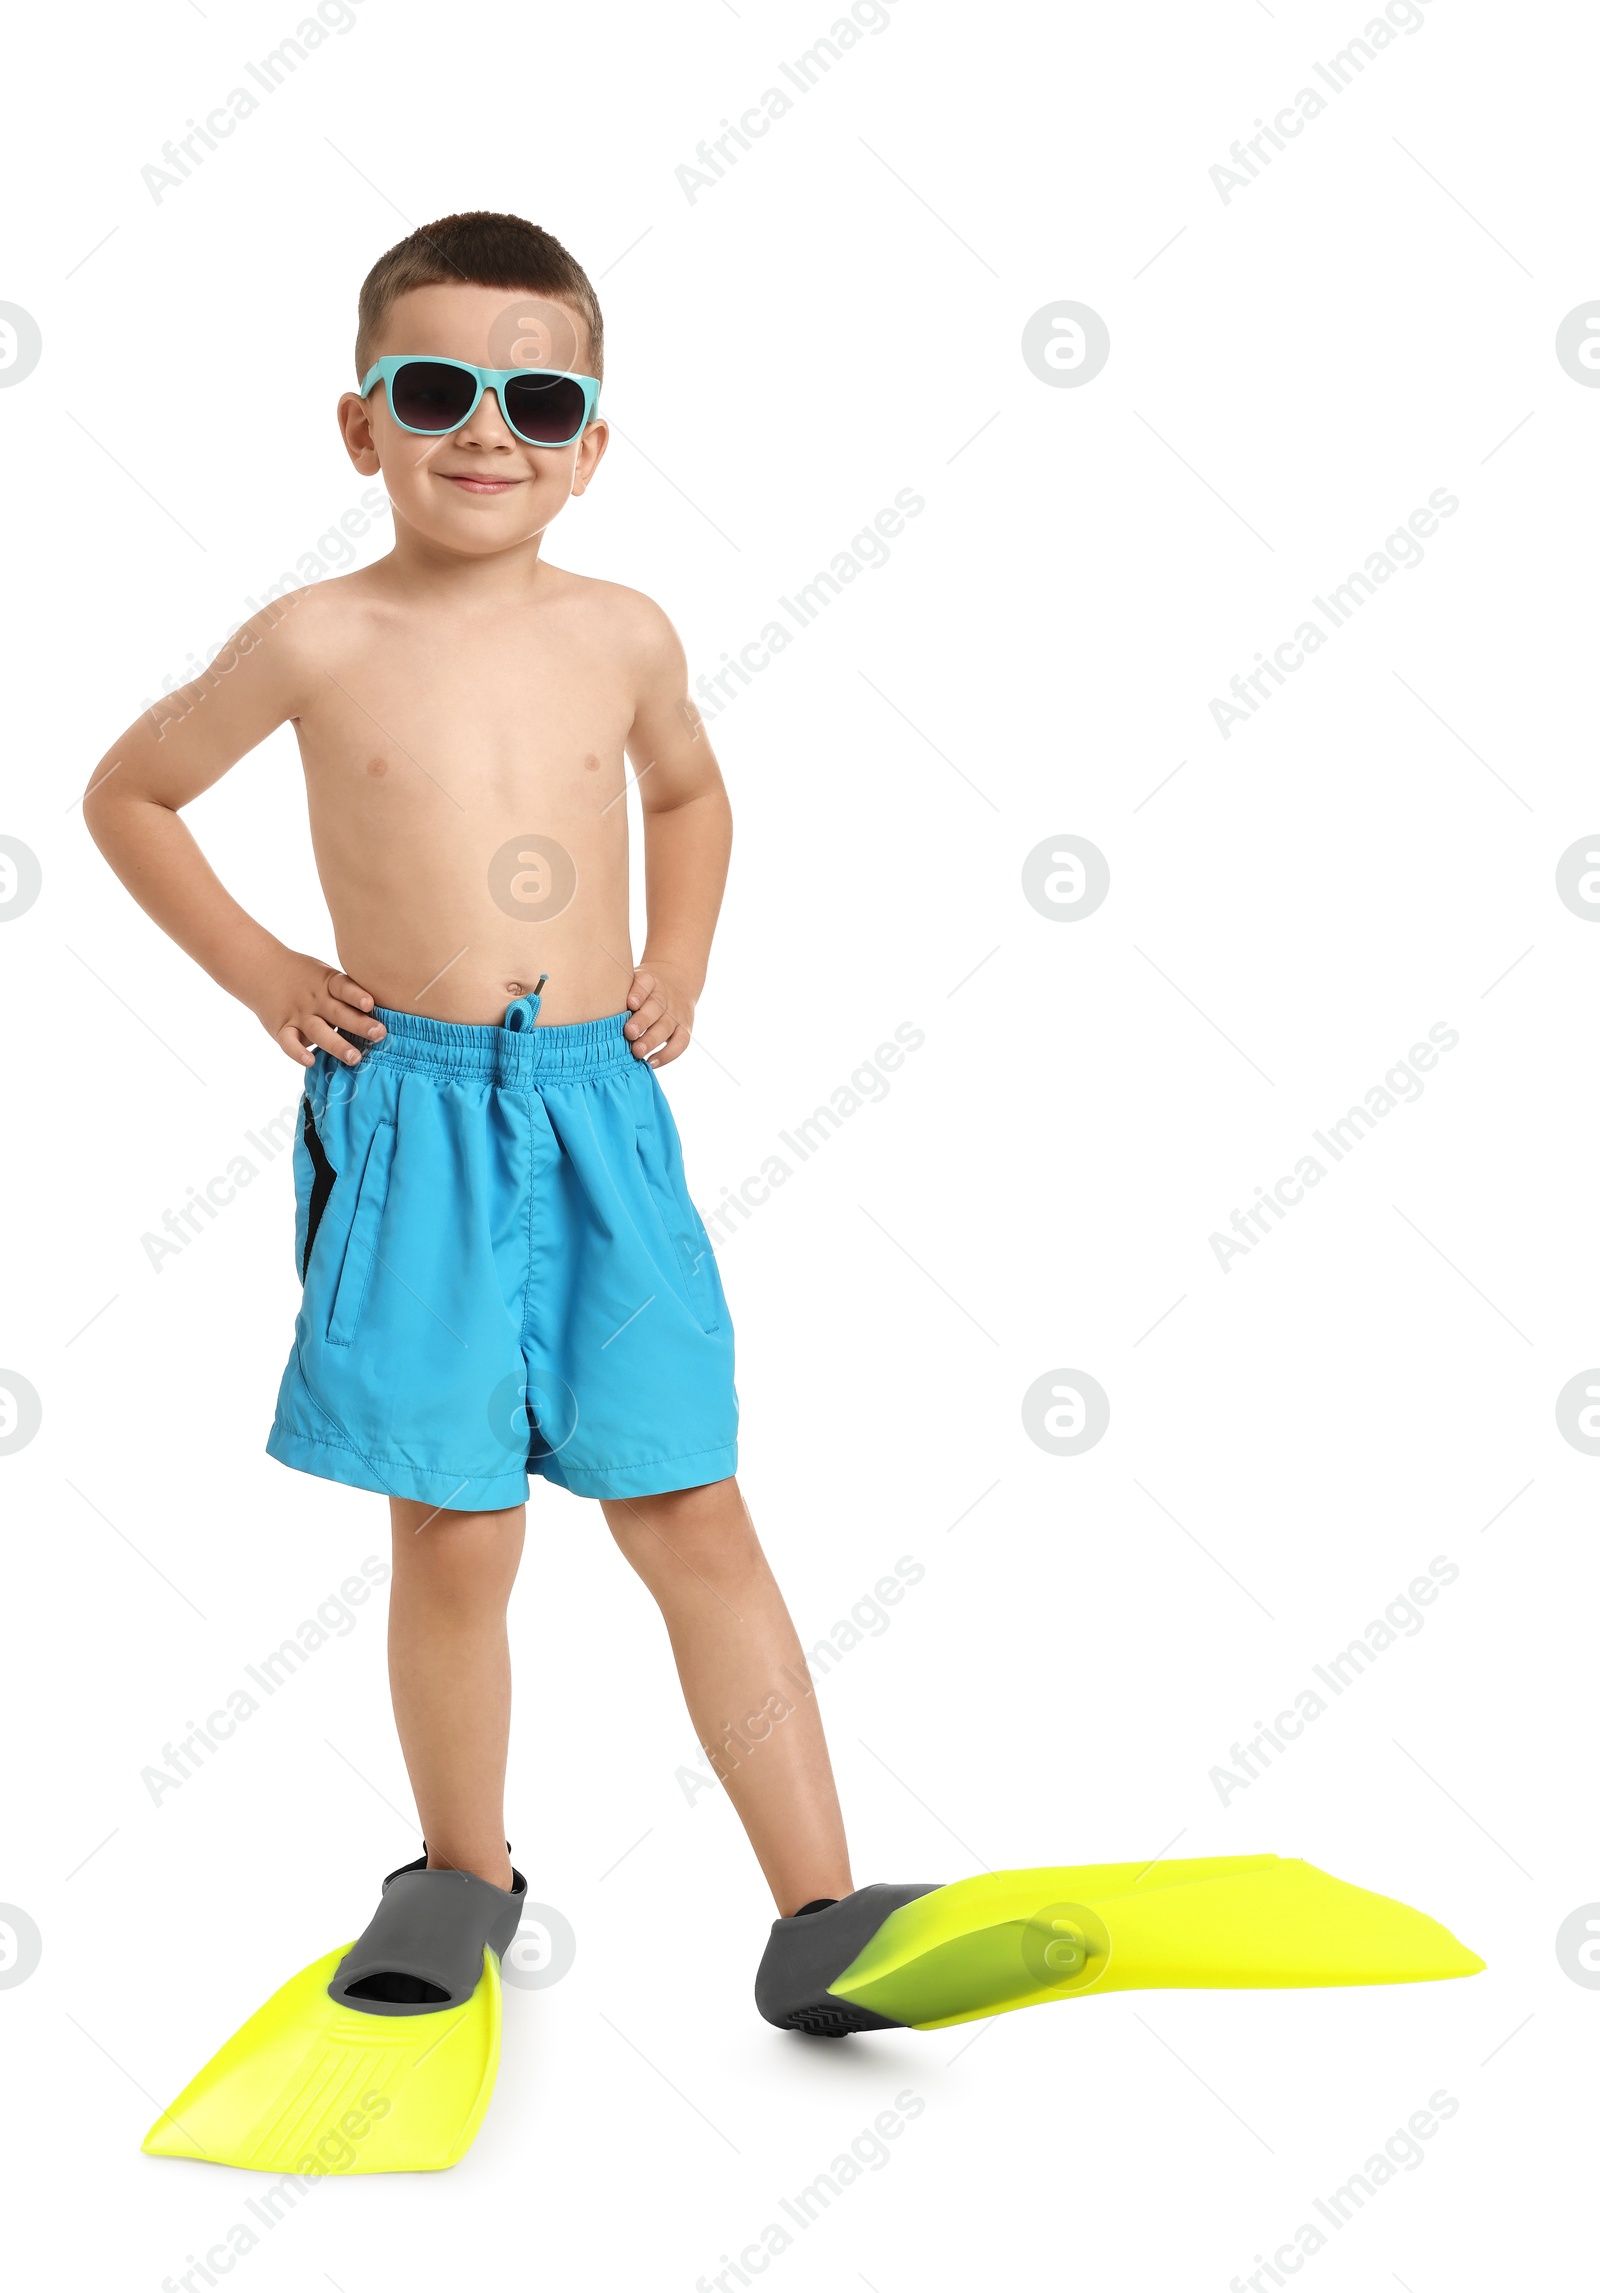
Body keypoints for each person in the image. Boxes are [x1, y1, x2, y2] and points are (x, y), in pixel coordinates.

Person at [95, 214, 1483, 2176]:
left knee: (688, 1501)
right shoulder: (315, 637)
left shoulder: (624, 629)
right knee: (456, 1529)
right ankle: (457, 1878)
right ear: (360, 426)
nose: (483, 430)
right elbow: (126, 792)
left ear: (589, 440)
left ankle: (819, 1915)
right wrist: (260, 974)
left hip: (596, 1112)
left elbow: (686, 789)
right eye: (434, 391)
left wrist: (683, 957)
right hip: (406, 1108)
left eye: (535, 398)